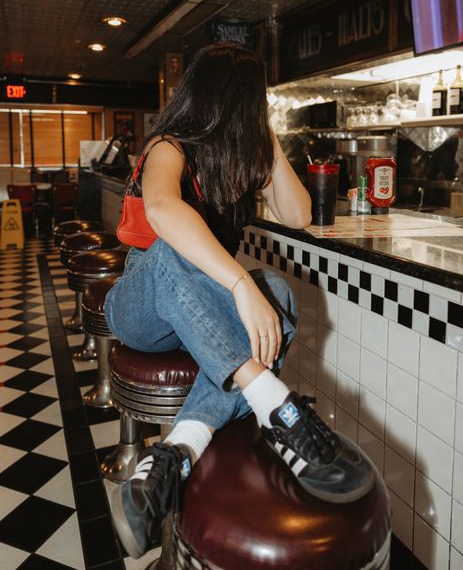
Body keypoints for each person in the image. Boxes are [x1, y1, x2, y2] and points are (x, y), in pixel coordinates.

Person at [104, 43, 374, 559]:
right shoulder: (170, 145)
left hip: (194, 310)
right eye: (257, 102)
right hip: (141, 303)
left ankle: (174, 458)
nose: (262, 109)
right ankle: (278, 408)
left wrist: (265, 138)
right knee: (179, 256)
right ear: (230, 100)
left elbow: (297, 214)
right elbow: (161, 209)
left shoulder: (243, 156)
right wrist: (239, 284)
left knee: (278, 293)